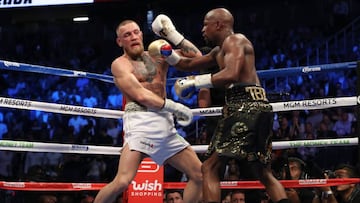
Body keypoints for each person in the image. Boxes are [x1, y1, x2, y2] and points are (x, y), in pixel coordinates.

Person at [149, 7, 289, 203]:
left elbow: (231, 73)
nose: (202, 30)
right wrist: (168, 48)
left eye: (206, 25)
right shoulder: (218, 50)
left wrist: (195, 83)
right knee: (262, 172)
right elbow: (187, 64)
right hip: (258, 106)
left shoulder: (236, 40)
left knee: (209, 168)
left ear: (219, 24)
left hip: (243, 105)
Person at [93, 17, 203, 203]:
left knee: (200, 175)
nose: (133, 37)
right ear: (120, 41)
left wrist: (173, 35)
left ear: (142, 34)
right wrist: (175, 107)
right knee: (122, 181)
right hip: (140, 123)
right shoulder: (120, 64)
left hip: (165, 125)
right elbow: (140, 95)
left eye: (136, 32)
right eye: (127, 35)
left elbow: (198, 58)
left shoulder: (158, 55)